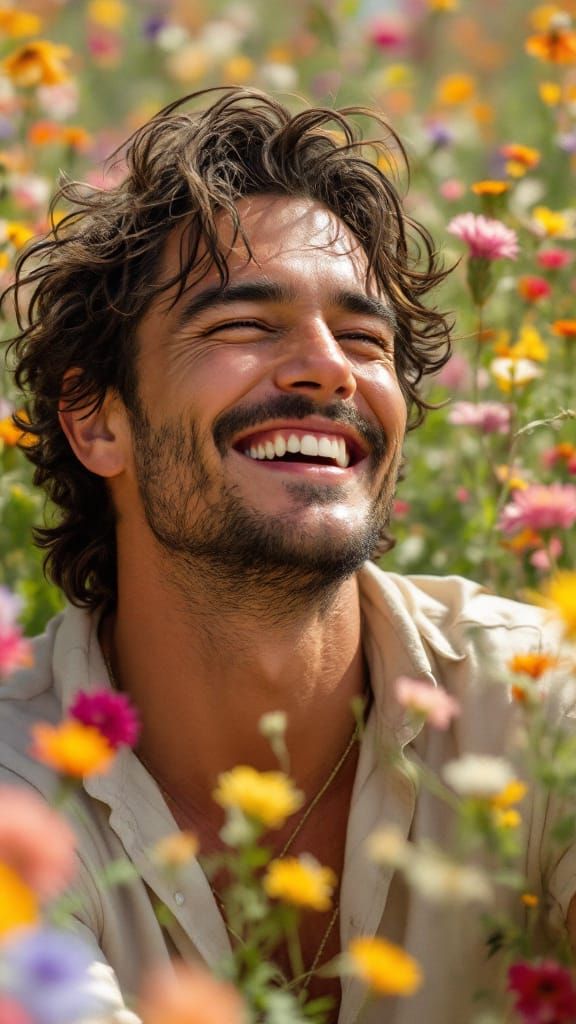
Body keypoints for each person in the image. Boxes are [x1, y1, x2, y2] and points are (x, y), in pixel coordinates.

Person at [0, 88, 571, 1024]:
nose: (328, 367)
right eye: (243, 326)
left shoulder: (537, 707)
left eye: (363, 338)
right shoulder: (20, 790)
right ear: (96, 419)